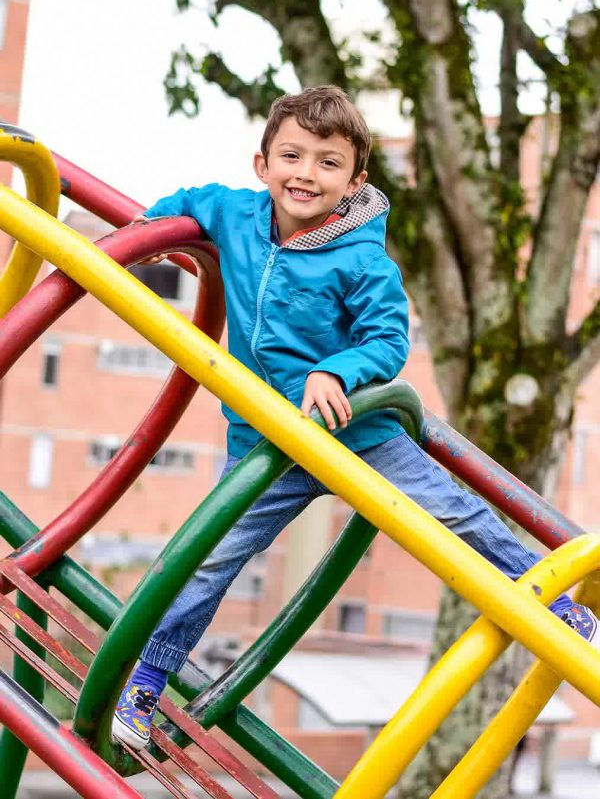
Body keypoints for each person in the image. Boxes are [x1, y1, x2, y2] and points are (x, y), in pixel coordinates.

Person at [111, 85, 599, 750]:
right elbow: (186, 203)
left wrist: (335, 369)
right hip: (265, 444)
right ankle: (147, 682)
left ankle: (560, 606)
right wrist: (143, 237)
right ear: (262, 164)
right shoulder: (231, 212)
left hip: (357, 435)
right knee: (207, 559)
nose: (306, 174)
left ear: (353, 181)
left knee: (454, 514)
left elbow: (388, 338)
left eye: (328, 163)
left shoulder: (361, 257)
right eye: (292, 156)